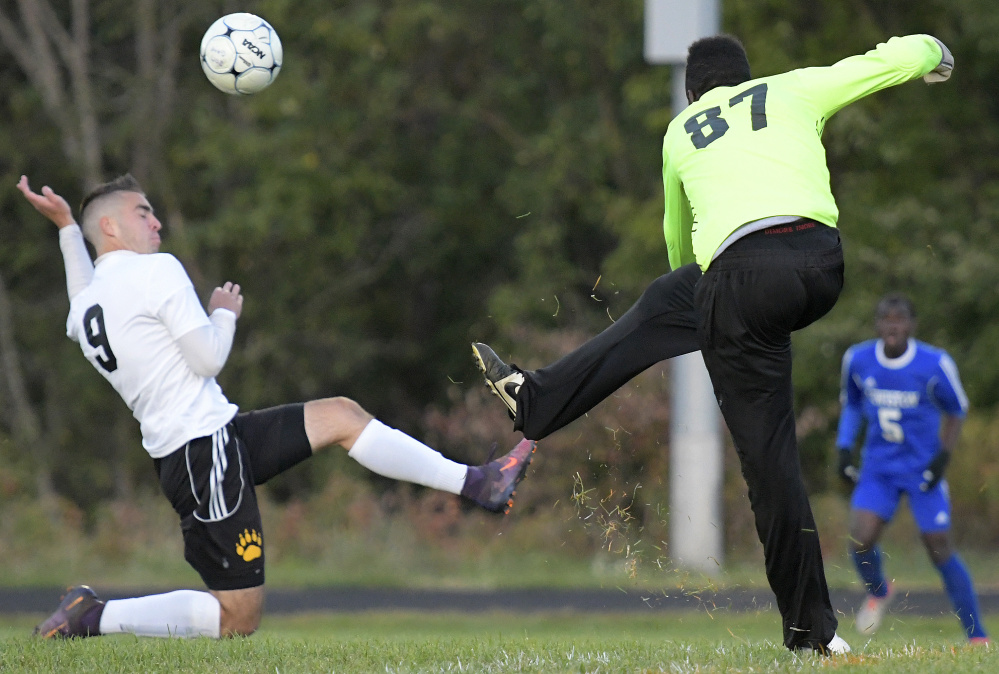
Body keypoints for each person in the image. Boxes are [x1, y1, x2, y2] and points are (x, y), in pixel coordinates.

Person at [470, 34, 954, 653]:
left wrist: (708, 313)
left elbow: (682, 243)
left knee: (770, 462)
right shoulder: (791, 88)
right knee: (670, 298)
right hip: (818, 263)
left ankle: (813, 632)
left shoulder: (680, 133)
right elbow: (884, 62)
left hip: (735, 281)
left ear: (693, 92)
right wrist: (932, 54)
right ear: (747, 76)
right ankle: (535, 398)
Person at [17, 174, 535, 640]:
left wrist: (66, 227)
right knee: (238, 620)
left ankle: (479, 484)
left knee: (342, 416)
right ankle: (94, 616)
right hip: (203, 454)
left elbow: (80, 287)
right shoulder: (155, 271)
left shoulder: (84, 308)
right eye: (142, 211)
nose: (155, 221)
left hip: (211, 438)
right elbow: (208, 360)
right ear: (109, 226)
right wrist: (222, 315)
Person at [836, 293, 988, 643]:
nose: (893, 325)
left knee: (938, 545)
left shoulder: (933, 363)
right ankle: (879, 590)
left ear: (911, 325)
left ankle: (976, 635)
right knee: (860, 538)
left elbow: (957, 410)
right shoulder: (858, 359)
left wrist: (941, 460)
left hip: (921, 468)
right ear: (877, 325)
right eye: (886, 319)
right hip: (879, 469)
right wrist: (844, 450)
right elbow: (853, 404)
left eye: (900, 318)